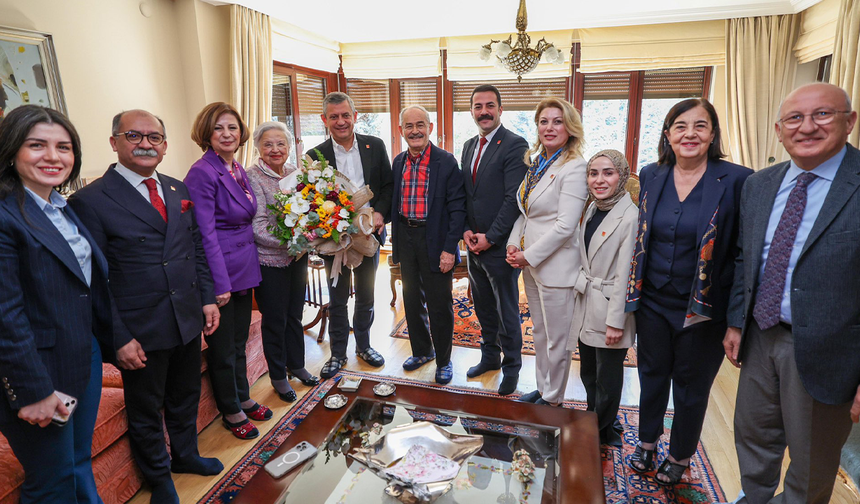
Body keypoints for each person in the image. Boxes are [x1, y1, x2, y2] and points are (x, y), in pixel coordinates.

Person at [67, 109, 224, 503]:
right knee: (146, 408)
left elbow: (196, 252)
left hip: (185, 316)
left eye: (154, 138)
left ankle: (186, 455)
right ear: (114, 142)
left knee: (185, 395)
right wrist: (118, 336)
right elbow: (93, 281)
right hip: (139, 327)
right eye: (134, 136)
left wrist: (206, 299)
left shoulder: (176, 189)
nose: (145, 144)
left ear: (165, 146)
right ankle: (159, 478)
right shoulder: (90, 200)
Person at [723, 83, 860, 504]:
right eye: (794, 119)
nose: (807, 127)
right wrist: (735, 320)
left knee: (812, 457)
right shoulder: (760, 185)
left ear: (849, 121)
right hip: (762, 334)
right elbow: (747, 257)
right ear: (780, 131)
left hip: (830, 350)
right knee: (754, 435)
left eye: (822, 115)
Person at [625, 98, 752, 485]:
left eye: (700, 126)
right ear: (668, 135)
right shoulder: (651, 174)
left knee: (691, 386)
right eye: (680, 126)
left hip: (705, 308)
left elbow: (745, 254)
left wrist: (736, 320)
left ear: (712, 134)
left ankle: (680, 454)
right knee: (651, 374)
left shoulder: (737, 179)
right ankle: (647, 441)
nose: (690, 134)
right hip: (653, 302)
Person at [0, 105, 113, 503]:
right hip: (38, 371)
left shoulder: (61, 207)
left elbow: (87, 287)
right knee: (51, 482)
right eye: (37, 145)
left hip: (83, 356)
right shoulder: (4, 215)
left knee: (77, 461)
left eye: (63, 147)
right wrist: (32, 391)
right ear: (12, 150)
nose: (53, 156)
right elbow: (5, 316)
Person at [184, 102, 269, 440]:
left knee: (238, 341)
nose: (227, 134)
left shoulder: (235, 168)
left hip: (243, 264)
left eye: (232, 127)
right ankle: (230, 410)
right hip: (221, 271)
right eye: (219, 128)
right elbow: (203, 234)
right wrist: (217, 284)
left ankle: (243, 396)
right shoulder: (202, 172)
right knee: (221, 348)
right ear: (206, 133)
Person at [506, 97, 588, 407]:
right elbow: (527, 213)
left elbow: (566, 225)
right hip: (531, 265)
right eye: (544, 121)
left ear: (570, 128)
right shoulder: (539, 164)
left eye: (557, 121)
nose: (549, 127)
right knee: (539, 333)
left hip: (557, 267)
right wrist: (514, 243)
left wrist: (527, 255)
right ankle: (542, 389)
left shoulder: (575, 167)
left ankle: (554, 399)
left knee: (558, 340)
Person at [309, 92, 393, 379]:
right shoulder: (315, 155)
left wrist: (380, 213)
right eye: (334, 116)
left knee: (367, 296)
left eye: (346, 115)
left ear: (355, 116)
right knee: (338, 299)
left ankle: (365, 347)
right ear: (325, 120)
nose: (341, 121)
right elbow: (311, 200)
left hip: (369, 236)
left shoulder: (375, 145)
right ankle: (338, 354)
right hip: (334, 241)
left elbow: (387, 187)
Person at [461, 84, 529, 396]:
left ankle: (512, 367)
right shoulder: (468, 146)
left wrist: (490, 237)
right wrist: (466, 231)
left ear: (501, 110)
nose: (484, 111)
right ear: (471, 111)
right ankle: (489, 358)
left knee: (507, 311)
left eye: (490, 105)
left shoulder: (515, 145)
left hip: (500, 247)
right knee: (483, 307)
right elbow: (466, 195)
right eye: (478, 106)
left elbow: (513, 200)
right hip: (473, 245)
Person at [390, 105, 466, 384]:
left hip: (435, 240)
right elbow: (394, 205)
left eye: (420, 124)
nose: (415, 131)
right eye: (409, 126)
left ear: (430, 128)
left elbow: (458, 209)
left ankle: (444, 360)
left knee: (439, 303)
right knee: (411, 299)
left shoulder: (445, 162)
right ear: (401, 131)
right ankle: (422, 351)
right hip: (407, 238)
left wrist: (449, 249)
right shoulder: (398, 161)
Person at [569, 149, 637, 447]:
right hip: (588, 302)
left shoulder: (630, 215)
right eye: (593, 173)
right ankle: (593, 416)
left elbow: (626, 275)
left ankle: (602, 432)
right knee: (588, 371)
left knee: (607, 378)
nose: (599, 180)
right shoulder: (594, 207)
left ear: (621, 176)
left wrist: (616, 322)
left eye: (607, 173)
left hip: (610, 305)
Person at [246, 121, 318, 403]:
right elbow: (257, 226)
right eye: (268, 144)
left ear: (290, 147)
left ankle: (297, 364)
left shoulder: (294, 173)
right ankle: (278, 376)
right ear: (258, 148)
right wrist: (294, 242)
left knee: (294, 315)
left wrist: (312, 233)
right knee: (275, 320)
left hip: (297, 259)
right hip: (269, 261)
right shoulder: (252, 177)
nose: (275, 149)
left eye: (281, 144)